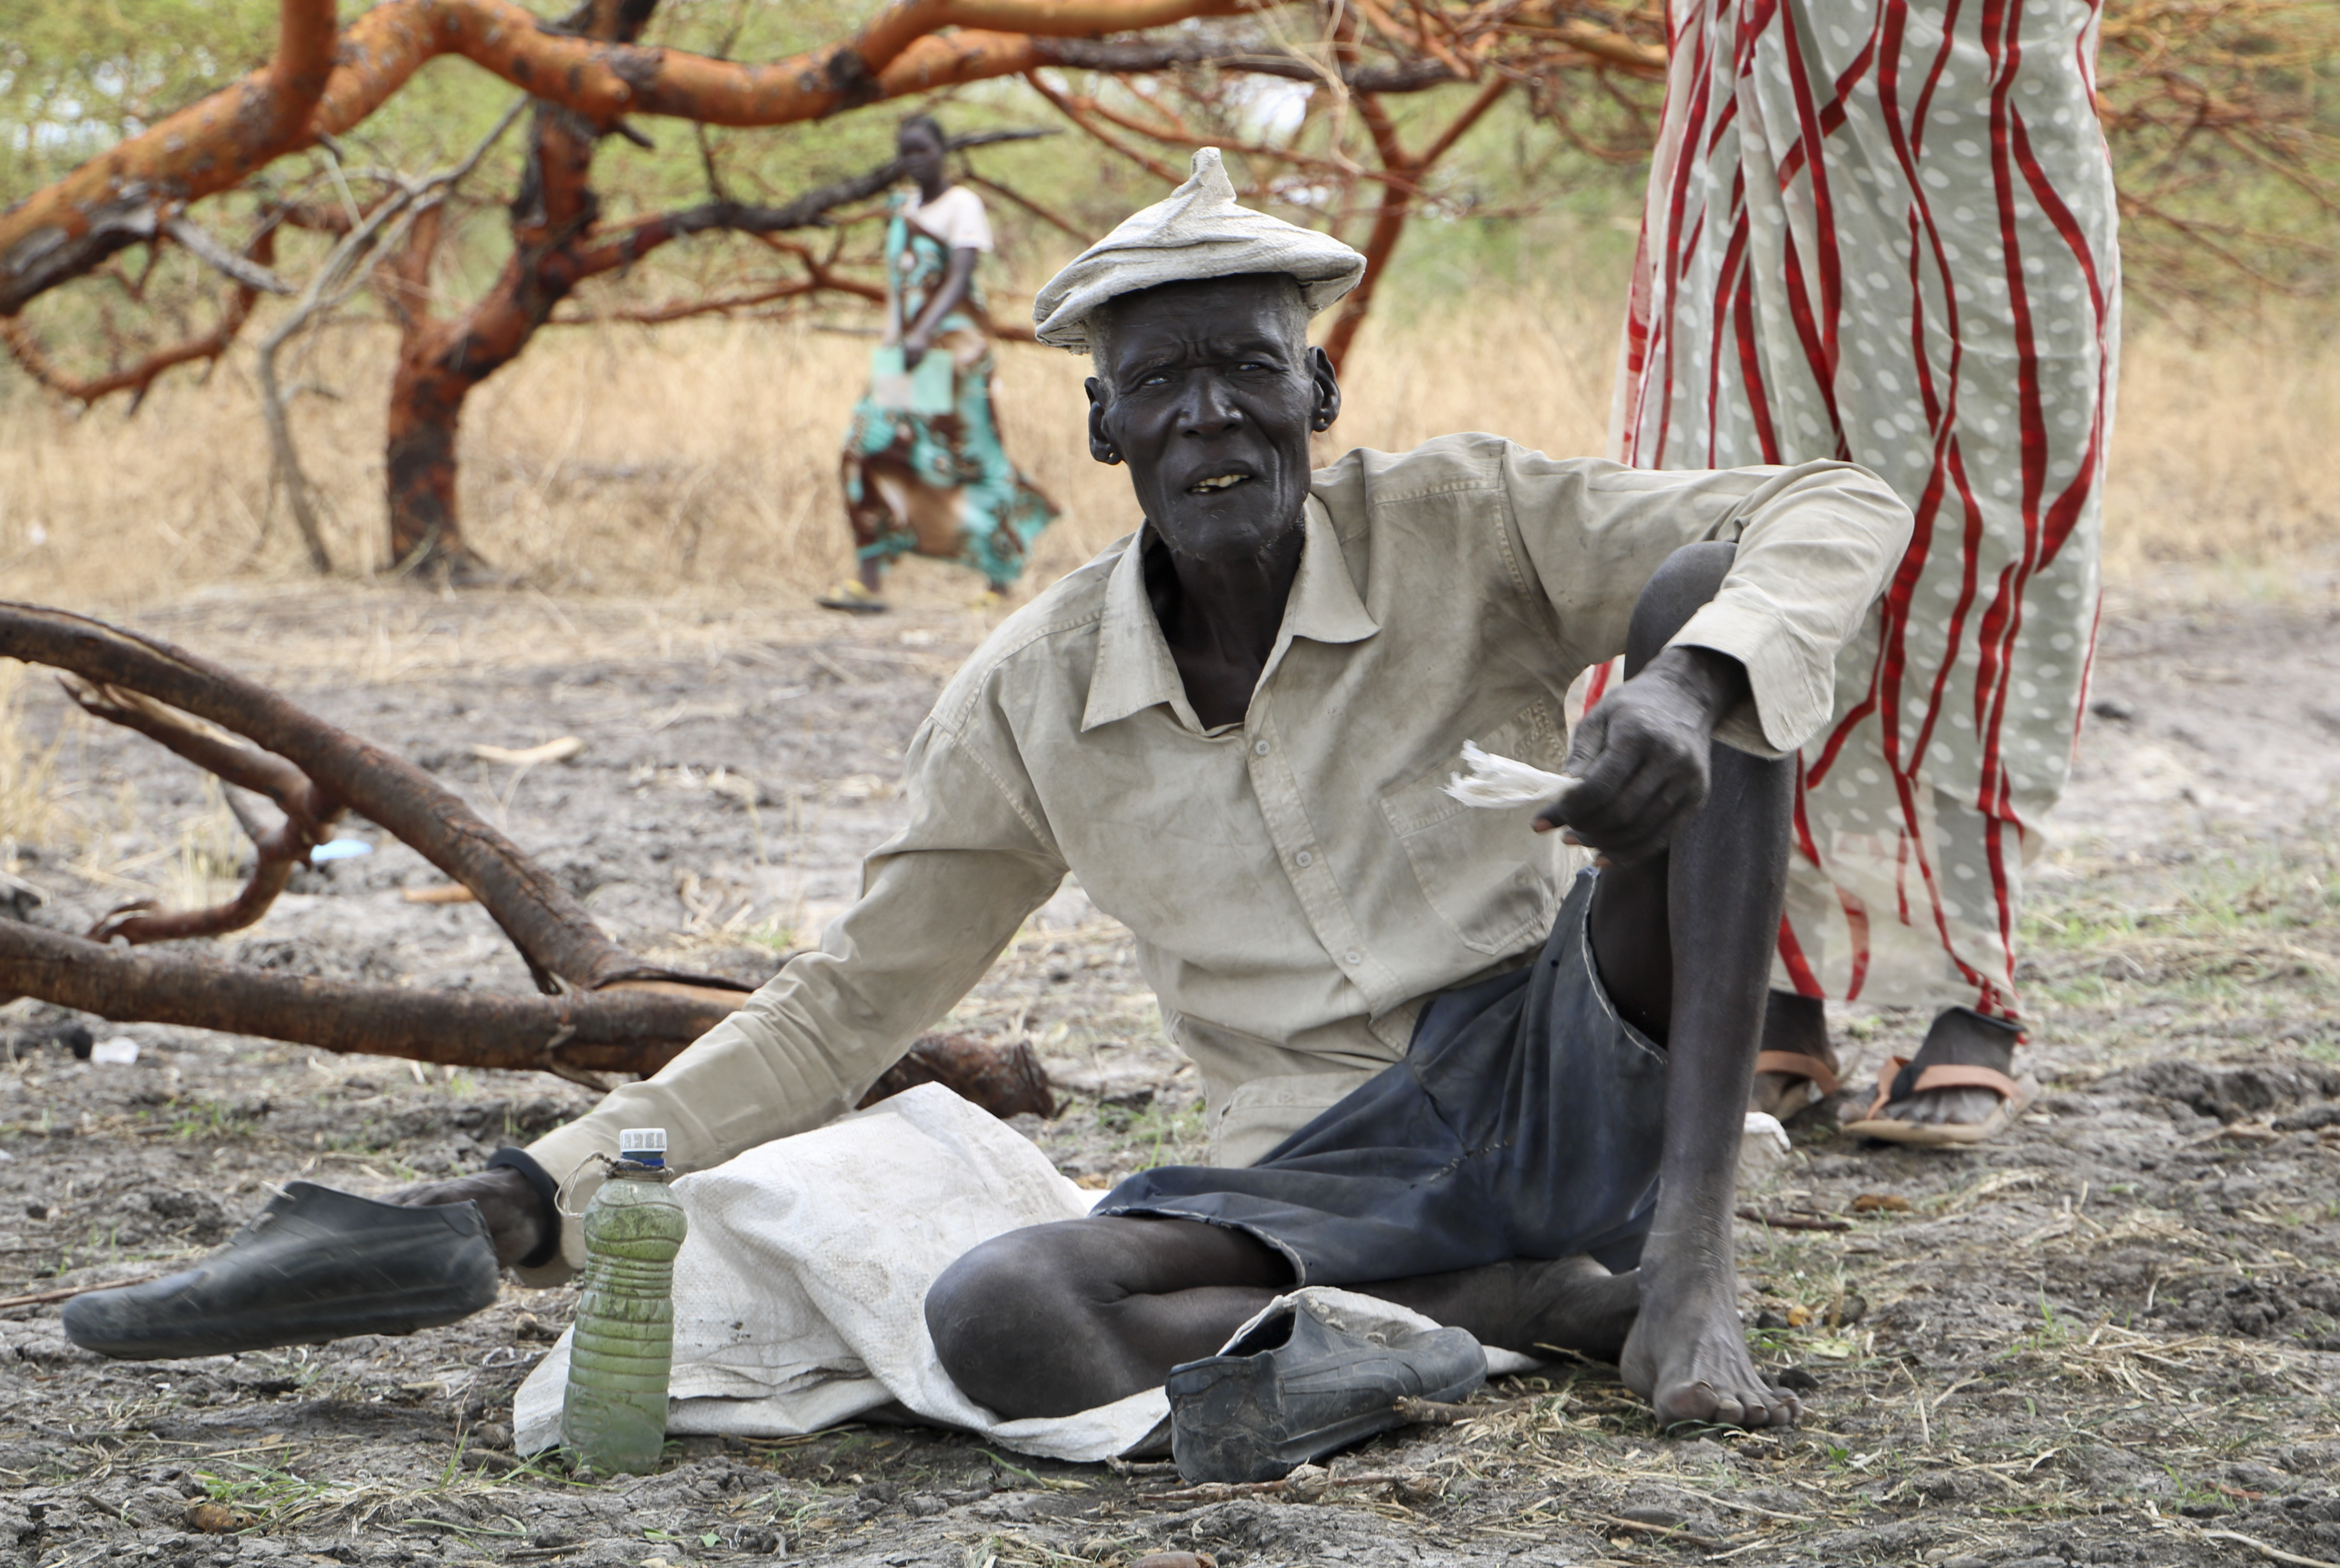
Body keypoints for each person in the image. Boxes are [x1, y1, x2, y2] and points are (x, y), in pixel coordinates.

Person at [66, 151, 1911, 1440]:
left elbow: (1839, 501)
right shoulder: (1033, 696)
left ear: (1316, 387)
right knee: (1007, 1314)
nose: (1211, 417)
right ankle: (1517, 1308)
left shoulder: (1462, 519)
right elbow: (846, 999)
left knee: (1700, 603)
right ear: (1100, 429)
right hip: (1323, 1162)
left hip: (1583, 1040)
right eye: (1163, 384)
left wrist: (1687, 679)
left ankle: (1685, 1260)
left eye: (1248, 371)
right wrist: (520, 1195)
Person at [1605, 0, 2121, 1141]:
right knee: (1745, 503)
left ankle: (1973, 988)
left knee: (1987, 526)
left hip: (1980, 101)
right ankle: (1778, 983)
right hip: (1755, 92)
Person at [821, 114, 1059, 614]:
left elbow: (961, 274)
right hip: (907, 357)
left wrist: (925, 332)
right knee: (866, 447)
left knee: (973, 458)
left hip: (952, 354)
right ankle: (870, 578)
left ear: (942, 151)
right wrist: (894, 348)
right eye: (905, 152)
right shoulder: (903, 209)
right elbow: (898, 292)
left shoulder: (962, 205)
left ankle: (999, 578)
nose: (914, 161)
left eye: (922, 151)